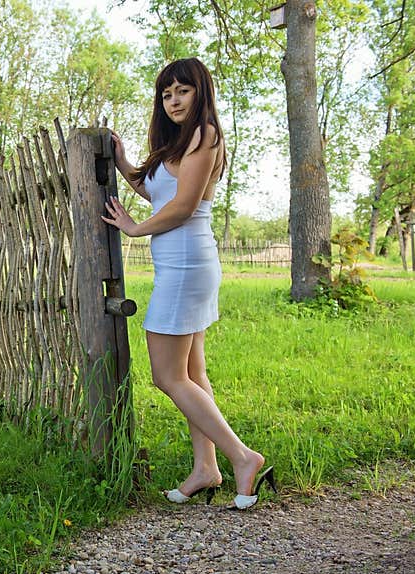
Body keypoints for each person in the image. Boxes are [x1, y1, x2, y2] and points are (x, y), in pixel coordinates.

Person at [100, 57, 275, 510]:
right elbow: (158, 192)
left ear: (201, 93)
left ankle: (242, 457)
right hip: (182, 266)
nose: (174, 101)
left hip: (186, 267)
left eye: (183, 91)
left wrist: (135, 229)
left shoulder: (206, 134)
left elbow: (183, 207)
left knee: (167, 376)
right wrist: (124, 164)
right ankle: (206, 468)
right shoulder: (178, 143)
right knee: (193, 374)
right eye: (166, 94)